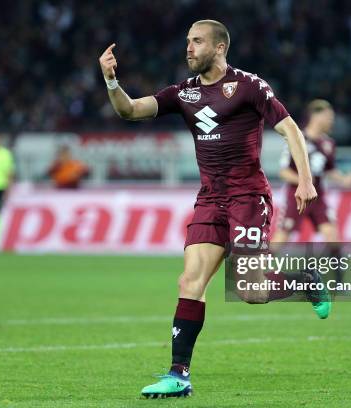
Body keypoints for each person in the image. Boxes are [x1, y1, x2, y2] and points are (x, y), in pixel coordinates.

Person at [99, 20, 323, 399]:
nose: (189, 48)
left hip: (248, 199)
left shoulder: (249, 86)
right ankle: (178, 375)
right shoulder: (182, 93)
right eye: (187, 41)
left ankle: (306, 282)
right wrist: (110, 82)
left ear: (219, 48)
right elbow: (131, 111)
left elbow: (291, 130)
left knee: (250, 291)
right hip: (209, 200)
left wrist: (305, 179)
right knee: (190, 283)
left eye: (197, 41)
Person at [272, 100, 351, 283]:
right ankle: (256, 275)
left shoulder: (329, 143)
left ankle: (339, 283)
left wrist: (344, 179)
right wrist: (304, 182)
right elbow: (284, 171)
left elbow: (329, 171)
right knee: (280, 238)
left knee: (333, 238)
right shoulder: (297, 138)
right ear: (316, 116)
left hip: (319, 198)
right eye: (329, 116)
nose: (331, 121)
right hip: (296, 196)